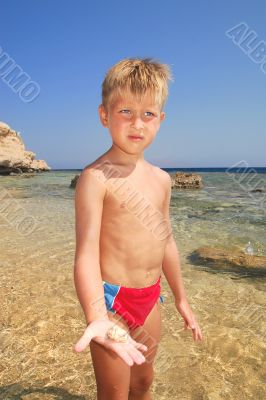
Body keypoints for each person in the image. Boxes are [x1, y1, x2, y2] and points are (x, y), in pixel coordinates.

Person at [73, 58, 203, 400]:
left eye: (148, 114)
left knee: (143, 383)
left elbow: (167, 241)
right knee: (114, 392)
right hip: (111, 303)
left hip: (150, 297)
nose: (137, 123)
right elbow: (86, 253)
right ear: (104, 115)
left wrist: (181, 298)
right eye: (126, 111)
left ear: (160, 120)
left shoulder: (162, 180)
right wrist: (96, 315)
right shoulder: (95, 178)